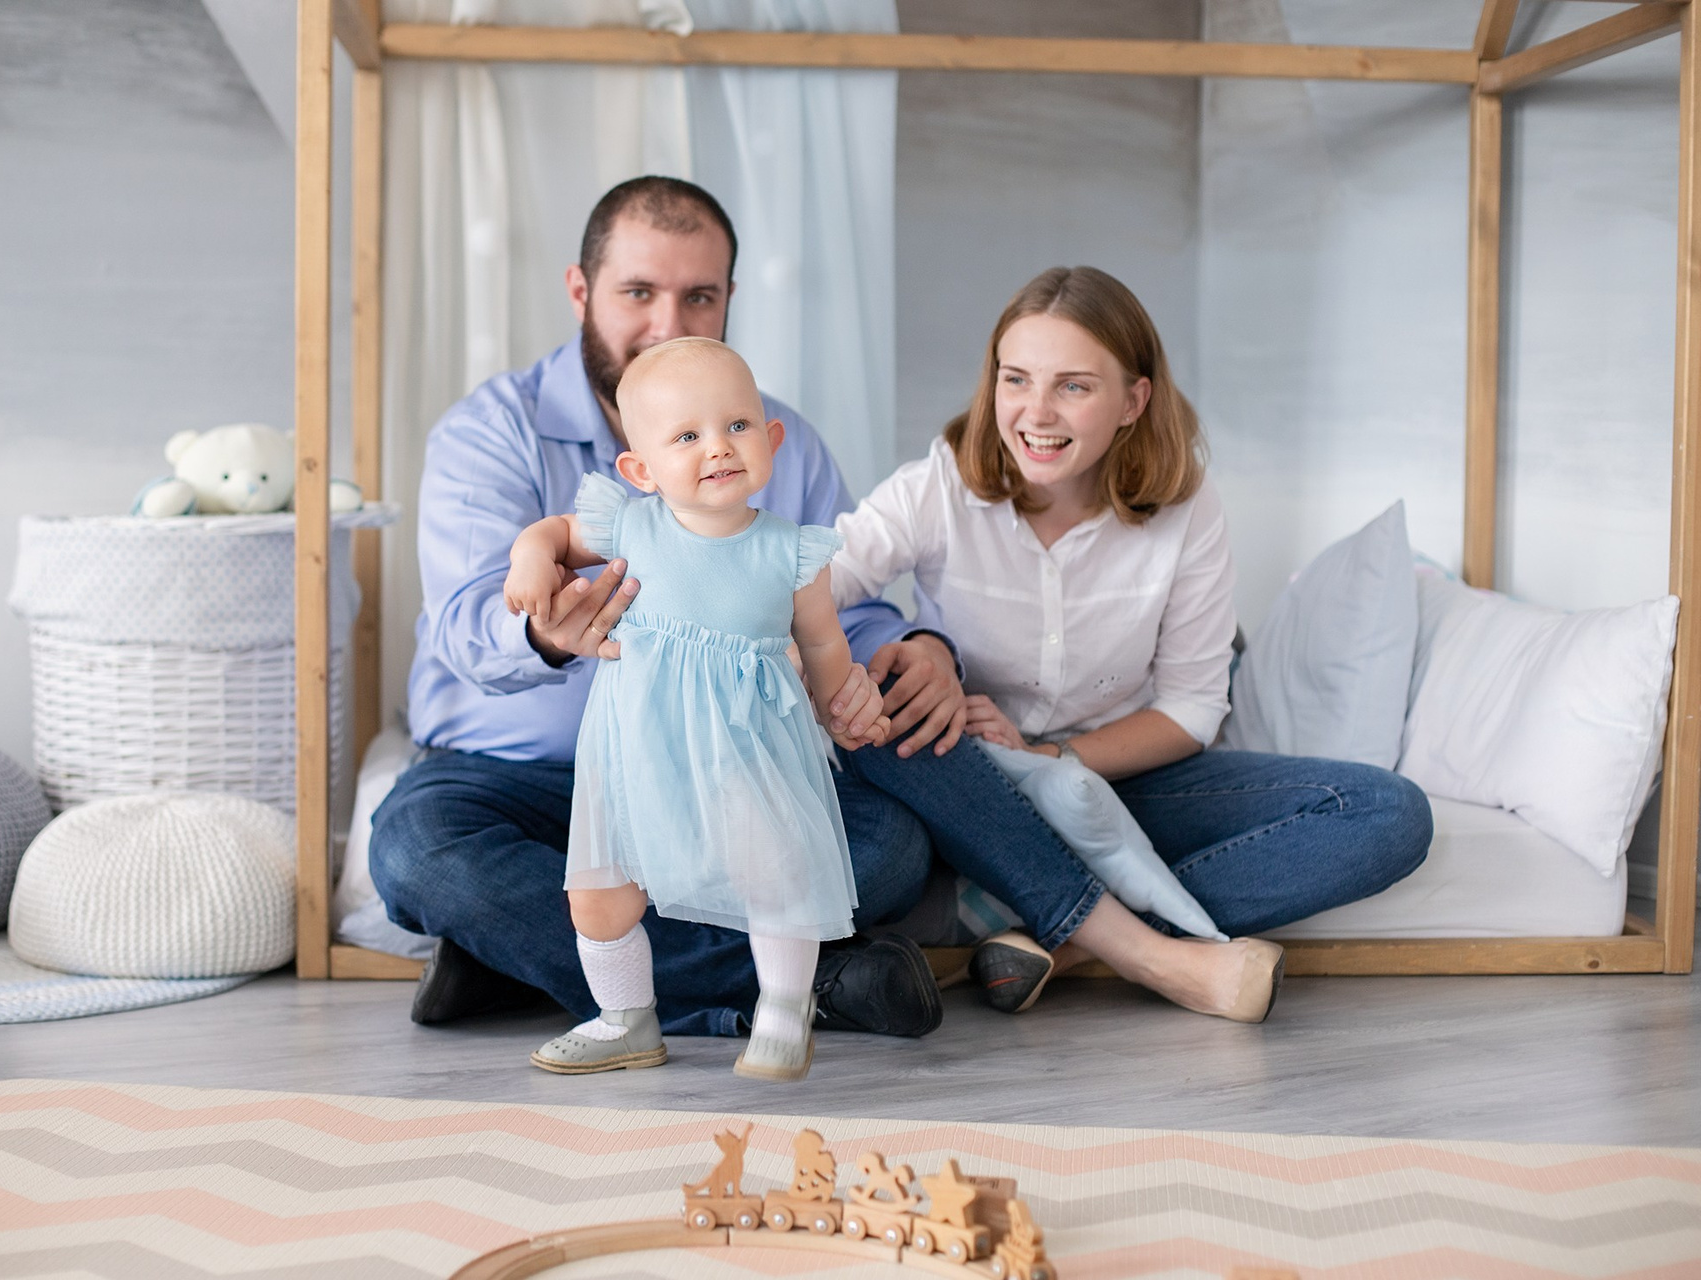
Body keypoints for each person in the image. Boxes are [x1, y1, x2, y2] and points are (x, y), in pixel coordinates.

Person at [370, 176, 957, 1041]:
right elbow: (465, 626)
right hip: (518, 777)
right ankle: (814, 985)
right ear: (581, 290)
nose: (669, 324)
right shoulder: (491, 429)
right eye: (639, 292)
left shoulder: (770, 440)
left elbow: (837, 604)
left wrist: (917, 646)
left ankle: (522, 959)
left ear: (730, 299)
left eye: (700, 297)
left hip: (727, 772)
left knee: (891, 847)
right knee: (419, 853)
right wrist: (544, 632)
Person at [831, 266, 1433, 1022]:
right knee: (881, 693)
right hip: (970, 788)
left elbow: (1192, 710)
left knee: (1385, 813)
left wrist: (1051, 759)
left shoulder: (1187, 509)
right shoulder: (939, 486)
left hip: (1112, 783)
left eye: (1073, 386)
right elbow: (818, 581)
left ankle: (1052, 933)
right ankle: (1146, 951)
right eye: (1016, 380)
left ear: (1133, 401)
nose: (1036, 412)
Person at [504, 337, 888, 1080]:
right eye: (687, 436)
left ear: (771, 438)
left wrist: (839, 704)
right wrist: (529, 558)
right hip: (635, 751)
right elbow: (551, 533)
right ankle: (625, 1018)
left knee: (776, 876)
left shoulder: (790, 552)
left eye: (737, 426)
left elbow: (823, 643)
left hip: (745, 746)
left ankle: (784, 1010)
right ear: (641, 470)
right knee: (598, 897)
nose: (718, 447)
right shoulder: (627, 525)